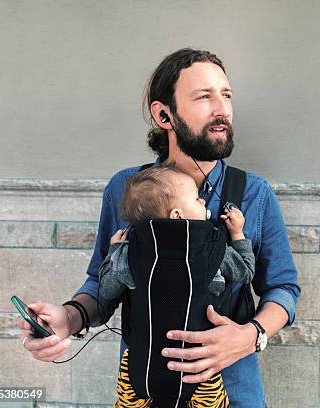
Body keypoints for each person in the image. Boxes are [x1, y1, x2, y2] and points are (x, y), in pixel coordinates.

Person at [18, 47, 301, 407]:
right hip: (143, 390)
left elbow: (284, 288)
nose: (222, 109)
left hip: (233, 392)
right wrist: (68, 317)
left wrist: (251, 336)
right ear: (163, 114)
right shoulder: (125, 187)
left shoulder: (255, 194)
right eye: (204, 96)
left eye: (226, 95)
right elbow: (102, 283)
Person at [100, 163, 256, 407]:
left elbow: (107, 290)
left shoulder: (131, 252)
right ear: (177, 215)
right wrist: (237, 234)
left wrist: (115, 251)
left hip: (141, 362)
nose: (203, 203)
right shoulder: (211, 248)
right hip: (199, 364)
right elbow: (245, 272)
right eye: (196, 199)